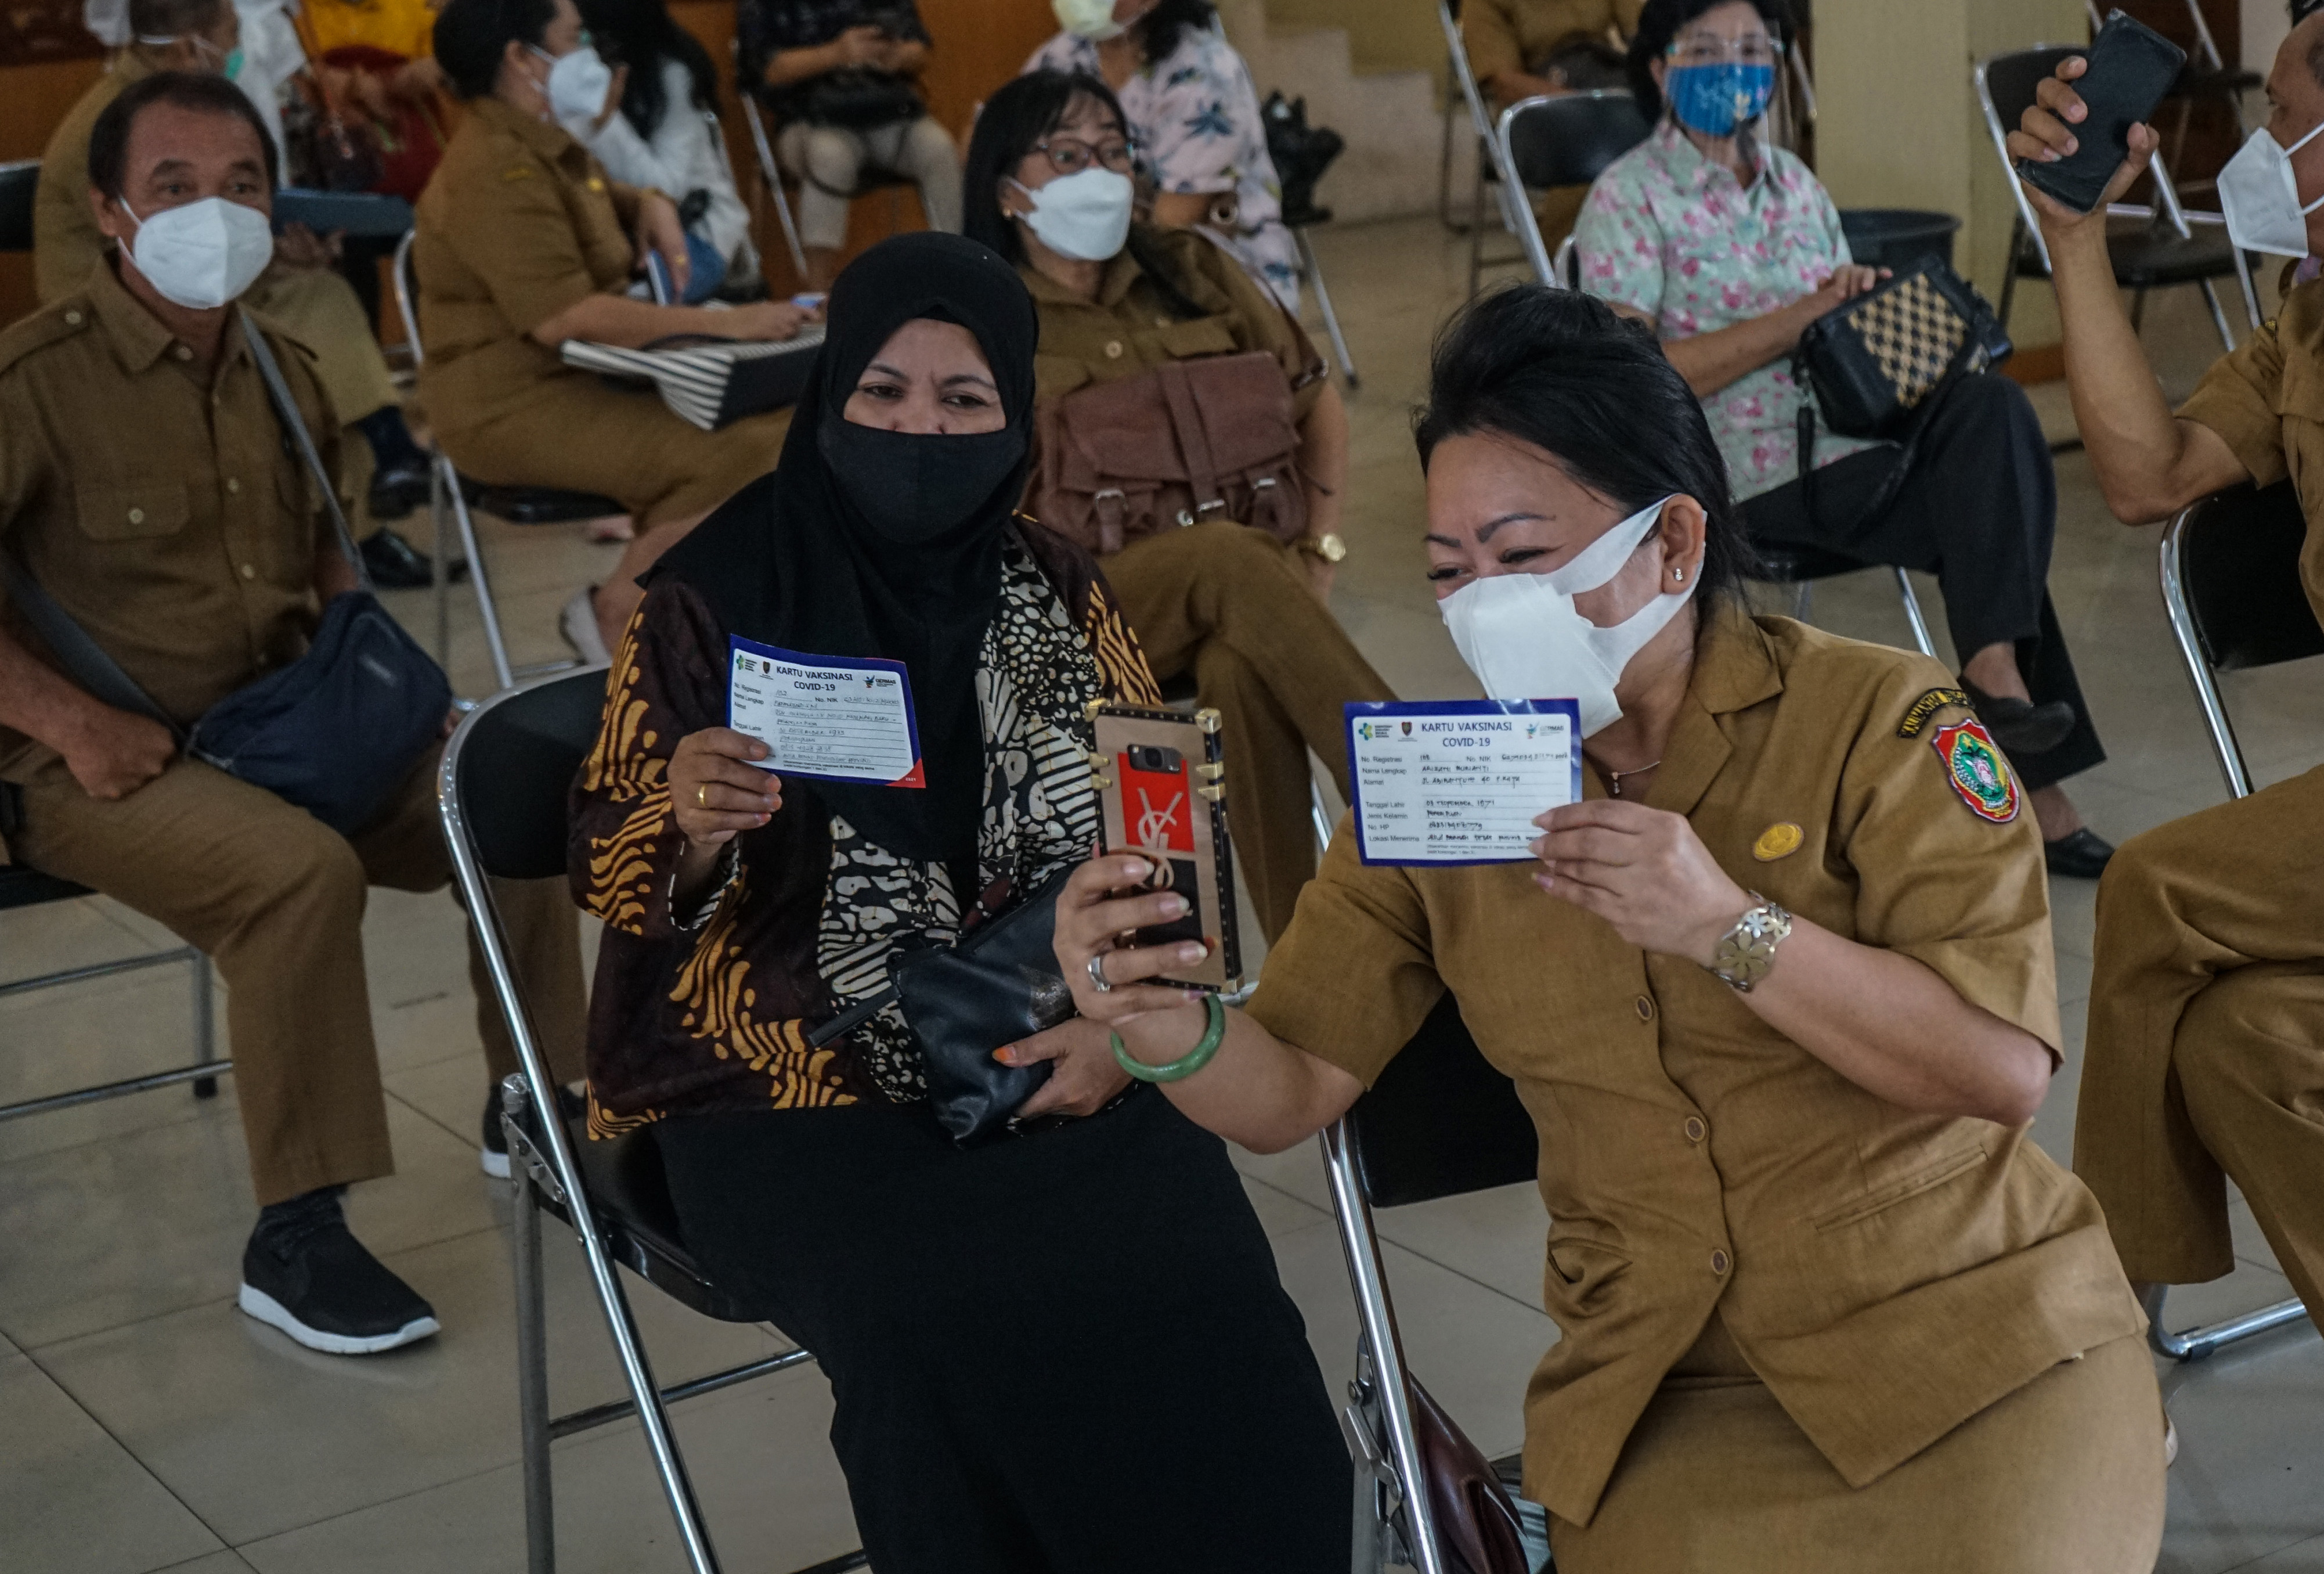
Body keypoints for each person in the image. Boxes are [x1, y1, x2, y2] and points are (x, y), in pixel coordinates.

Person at [1030, 284, 2168, 1570]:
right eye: (1451, 572)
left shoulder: (1878, 720)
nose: (1479, 607)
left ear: (1673, 545)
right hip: (1665, 1384)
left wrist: (1729, 924)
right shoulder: (1436, 787)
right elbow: (1289, 1084)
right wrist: (1159, 1018)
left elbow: (1998, 1070)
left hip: (1963, 1333)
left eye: (1522, 557)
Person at [568, 229, 1350, 1573]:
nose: (919, 429)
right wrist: (690, 827)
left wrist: (1129, 1032)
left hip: (1046, 1037)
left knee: (1202, 1278)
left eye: (962, 401)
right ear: (828, 403)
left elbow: (1163, 828)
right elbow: (615, 866)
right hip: (780, 1084)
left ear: (1013, 422)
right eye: (882, 395)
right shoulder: (708, 600)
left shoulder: (1057, 586)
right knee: (939, 1323)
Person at [0, 71, 589, 1356]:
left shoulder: (281, 356)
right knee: (297, 877)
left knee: (505, 790)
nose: (213, 215)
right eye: (173, 189)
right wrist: (67, 722)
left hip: (283, 721)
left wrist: (377, 697)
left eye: (241, 187)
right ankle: (298, 1232)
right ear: (109, 213)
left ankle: (542, 1103)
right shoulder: (34, 381)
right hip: (94, 755)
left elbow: (329, 542)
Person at [1574, 0, 2116, 879]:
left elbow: (1827, 330)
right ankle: (2029, 776)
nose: (1734, 67)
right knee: (1986, 524)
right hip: (1731, 482)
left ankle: (1993, 674)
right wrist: (1797, 317)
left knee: (1993, 418)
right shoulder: (1627, 200)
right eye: (1706, 51)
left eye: (1753, 49)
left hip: (1846, 442)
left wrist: (1852, 302)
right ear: (1659, 69)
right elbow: (1633, 379)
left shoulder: (1794, 182)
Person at [2009, 20, 2324, 1346]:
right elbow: (2148, 472)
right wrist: (2073, 239)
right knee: (2235, 1038)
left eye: (2285, 121)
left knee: (2154, 886)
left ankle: (2090, 1336)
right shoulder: (2304, 321)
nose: (2261, 153)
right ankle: (2113, 1342)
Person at [963, 70, 1393, 941]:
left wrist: (1319, 548)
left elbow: (1316, 401)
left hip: (1236, 592)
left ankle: (1308, 959)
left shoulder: (1193, 269)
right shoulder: (983, 318)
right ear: (1008, 189)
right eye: (1070, 154)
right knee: (1230, 558)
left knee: (1240, 661)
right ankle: (1408, 787)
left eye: (1115, 151)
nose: (1100, 172)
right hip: (1068, 618)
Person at [418, 0, 814, 660]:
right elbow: (564, 316)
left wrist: (650, 202)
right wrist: (733, 324)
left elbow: (595, 192)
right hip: (508, 402)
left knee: (785, 424)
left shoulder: (536, 141)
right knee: (744, 454)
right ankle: (615, 614)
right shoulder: (494, 166)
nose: (590, 57)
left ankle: (684, 613)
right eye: (573, 40)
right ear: (520, 57)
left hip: (581, 375)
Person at [36, 0, 449, 584]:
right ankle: (376, 479)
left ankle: (365, 502)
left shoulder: (173, 105)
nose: (239, 57)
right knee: (305, 337)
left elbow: (200, 226)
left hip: (180, 286)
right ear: (188, 49)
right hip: (117, 303)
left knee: (318, 296)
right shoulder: (123, 119)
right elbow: (152, 242)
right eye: (231, 41)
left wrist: (274, 250)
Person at [1025, 0, 1301, 309]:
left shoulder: (1205, 72)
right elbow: (1002, 145)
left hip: (1210, 277)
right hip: (1090, 263)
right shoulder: (1061, 57)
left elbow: (1173, 223)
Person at [737, 0, 962, 290]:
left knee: (939, 148)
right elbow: (766, 71)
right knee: (830, 156)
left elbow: (920, 51)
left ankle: (957, 270)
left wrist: (897, 56)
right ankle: (818, 293)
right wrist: (835, 54)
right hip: (808, 120)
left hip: (887, 114)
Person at [568, 0, 760, 298]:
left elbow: (668, 186)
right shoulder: (563, 75)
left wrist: (605, 122)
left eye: (584, 35)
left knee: (621, 305)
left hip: (694, 234)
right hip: (608, 232)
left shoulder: (672, 74)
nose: (580, 46)